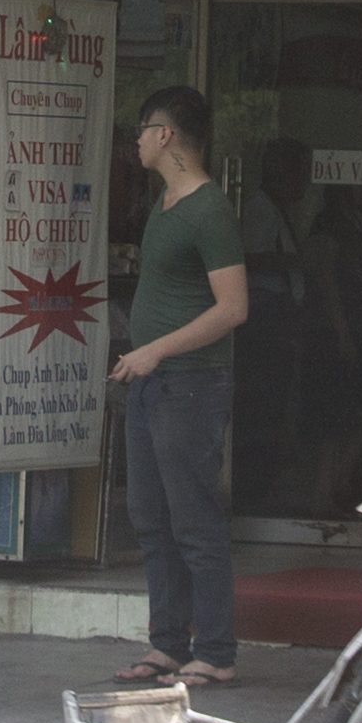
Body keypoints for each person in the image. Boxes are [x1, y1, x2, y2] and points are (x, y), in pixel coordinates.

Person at [112, 85, 254, 686]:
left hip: (190, 384)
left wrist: (155, 350)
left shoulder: (209, 209)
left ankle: (215, 651)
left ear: (165, 134)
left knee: (193, 517)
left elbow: (233, 308)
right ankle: (167, 644)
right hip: (152, 383)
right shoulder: (166, 204)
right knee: (149, 514)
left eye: (143, 129)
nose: (138, 141)